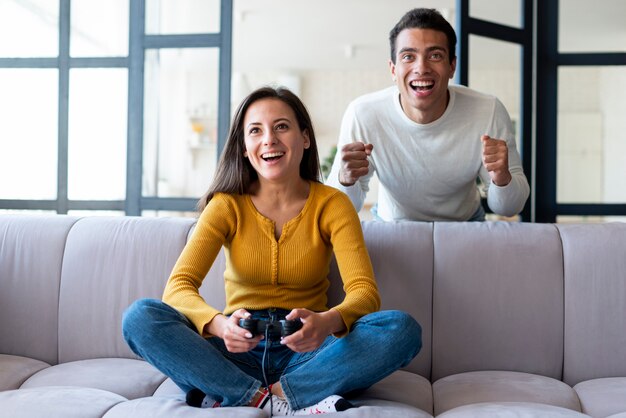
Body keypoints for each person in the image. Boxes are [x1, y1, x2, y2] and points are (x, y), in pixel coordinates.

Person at [122, 86, 422, 415]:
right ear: (245, 148)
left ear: (305, 138)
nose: (269, 139)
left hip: (309, 353)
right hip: (235, 351)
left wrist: (324, 323)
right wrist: (221, 326)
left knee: (400, 329)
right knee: (140, 317)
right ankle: (276, 402)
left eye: (281, 126)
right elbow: (178, 288)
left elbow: (364, 292)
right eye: (256, 131)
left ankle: (244, 395)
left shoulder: (332, 204)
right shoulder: (225, 206)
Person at [326, 8, 530, 222]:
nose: (421, 67)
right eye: (408, 56)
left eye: (435, 55)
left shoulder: (488, 110)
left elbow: (509, 208)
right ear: (393, 69)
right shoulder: (363, 113)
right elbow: (340, 209)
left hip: (465, 225)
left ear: (452, 66)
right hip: (394, 225)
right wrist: (345, 180)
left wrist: (501, 178)